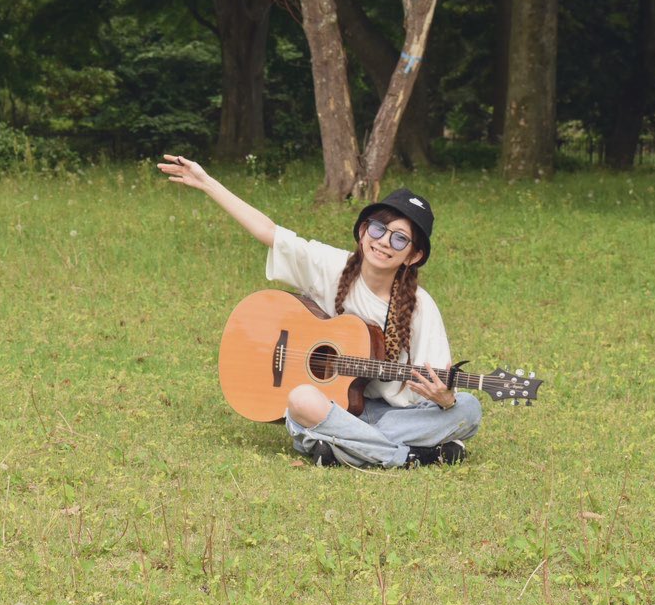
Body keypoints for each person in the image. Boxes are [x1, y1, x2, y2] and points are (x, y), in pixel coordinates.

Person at [157, 154, 481, 468]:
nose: (384, 243)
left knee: (469, 409)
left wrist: (445, 400)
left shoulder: (421, 307)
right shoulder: (331, 266)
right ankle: (406, 455)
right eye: (379, 229)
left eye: (399, 240)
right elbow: (270, 233)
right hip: (332, 405)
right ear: (362, 231)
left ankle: (337, 445)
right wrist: (207, 182)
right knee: (300, 400)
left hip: (389, 415)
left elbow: (438, 386)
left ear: (413, 256)